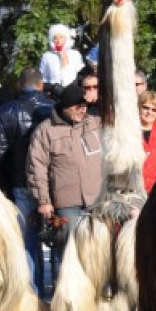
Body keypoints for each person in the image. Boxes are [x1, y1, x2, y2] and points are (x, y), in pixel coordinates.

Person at [0, 68, 54, 295]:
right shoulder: (54, 109)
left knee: (27, 242)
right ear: (41, 85)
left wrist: (0, 187)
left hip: (20, 184)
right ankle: (58, 295)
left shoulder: (7, 111)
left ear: (18, 84)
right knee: (60, 241)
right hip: (53, 186)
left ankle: (33, 295)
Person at [26, 83, 103, 272]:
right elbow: (37, 168)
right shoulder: (45, 130)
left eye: (84, 105)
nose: (82, 109)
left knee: (98, 251)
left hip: (97, 200)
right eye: (77, 106)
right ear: (65, 106)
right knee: (69, 253)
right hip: (67, 204)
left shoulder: (95, 123)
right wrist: (43, 201)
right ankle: (65, 295)